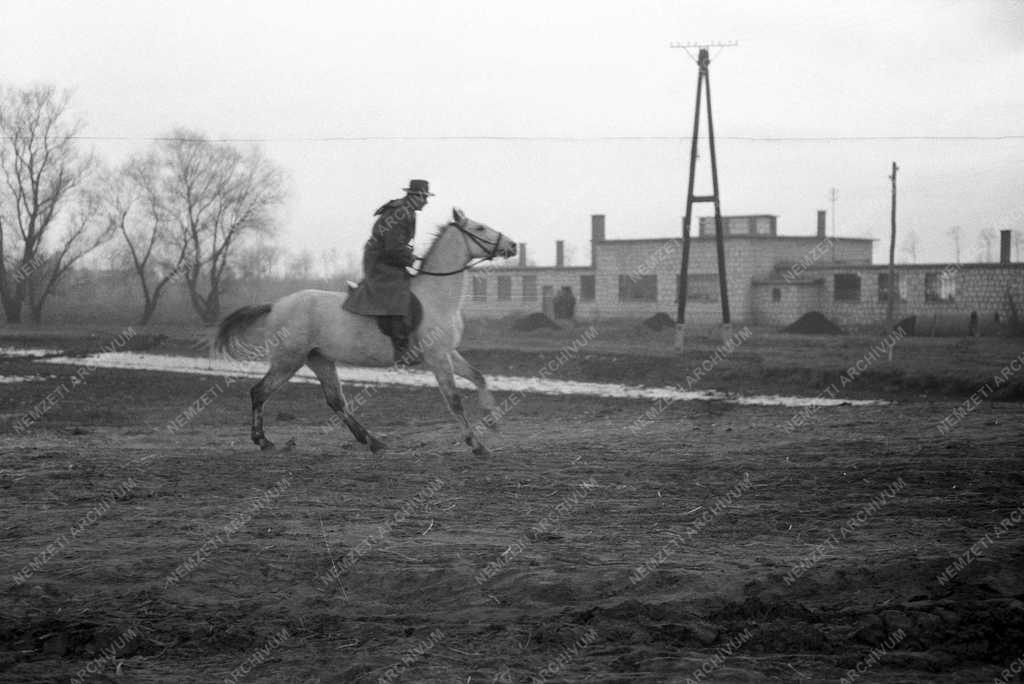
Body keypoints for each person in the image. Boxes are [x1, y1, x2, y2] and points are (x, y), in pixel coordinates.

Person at [342, 180, 433, 364]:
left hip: (388, 257)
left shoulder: (407, 211)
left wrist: (410, 257)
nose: (426, 202)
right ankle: (401, 349)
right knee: (397, 290)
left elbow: (399, 246)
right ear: (416, 196)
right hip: (381, 260)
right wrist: (412, 259)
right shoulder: (401, 212)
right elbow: (393, 248)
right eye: (425, 197)